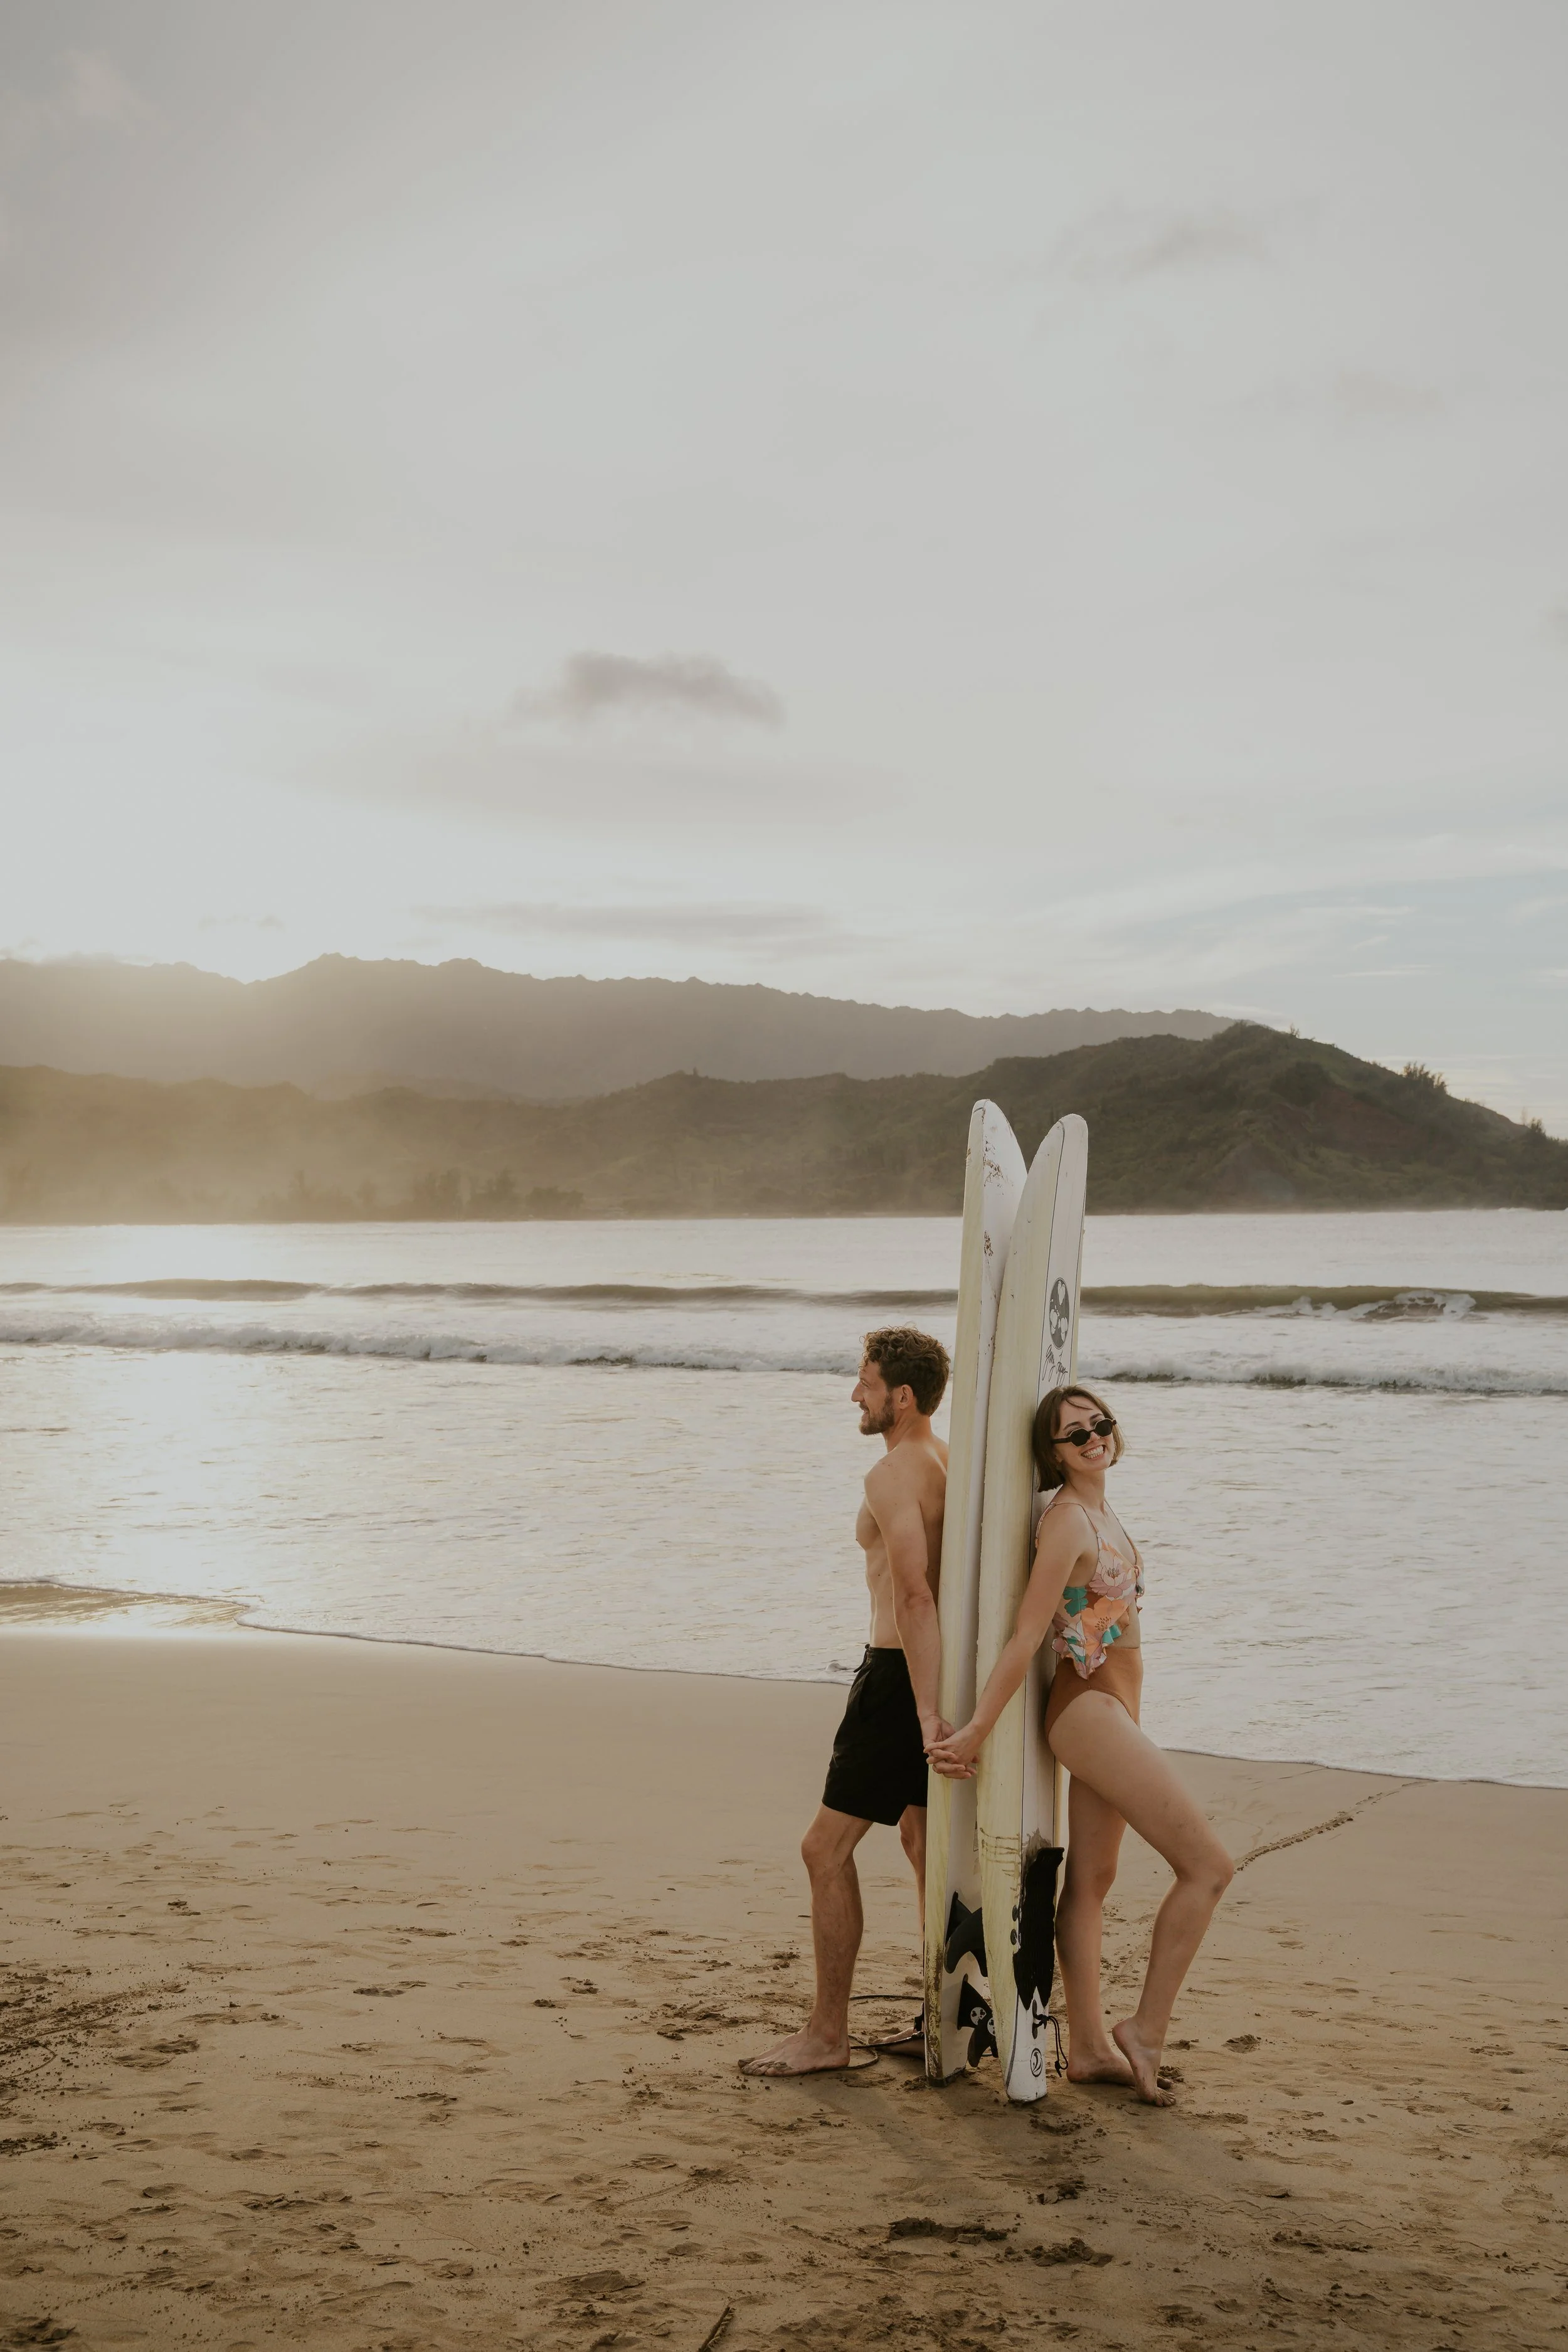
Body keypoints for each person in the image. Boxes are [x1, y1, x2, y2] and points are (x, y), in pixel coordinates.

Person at [928, 1385, 1232, 2105]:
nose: (1093, 1437)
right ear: (1051, 1452)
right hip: (1088, 1710)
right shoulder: (1065, 1522)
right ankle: (1144, 2032)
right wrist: (975, 1728)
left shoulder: (1099, 1508)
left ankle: (1091, 2048)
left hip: (1113, 1707)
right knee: (1208, 1867)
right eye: (1073, 1434)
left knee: (1092, 1882)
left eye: (1099, 1424)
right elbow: (1026, 1634)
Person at [741, 1325, 951, 2077]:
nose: (853, 1396)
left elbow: (915, 1594)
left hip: (898, 1677)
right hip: (934, 1675)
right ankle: (944, 2022)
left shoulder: (894, 1472)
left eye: (863, 1384)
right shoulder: (944, 1460)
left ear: (900, 1396)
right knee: (925, 1845)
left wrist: (923, 1710)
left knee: (823, 1849)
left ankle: (828, 2036)